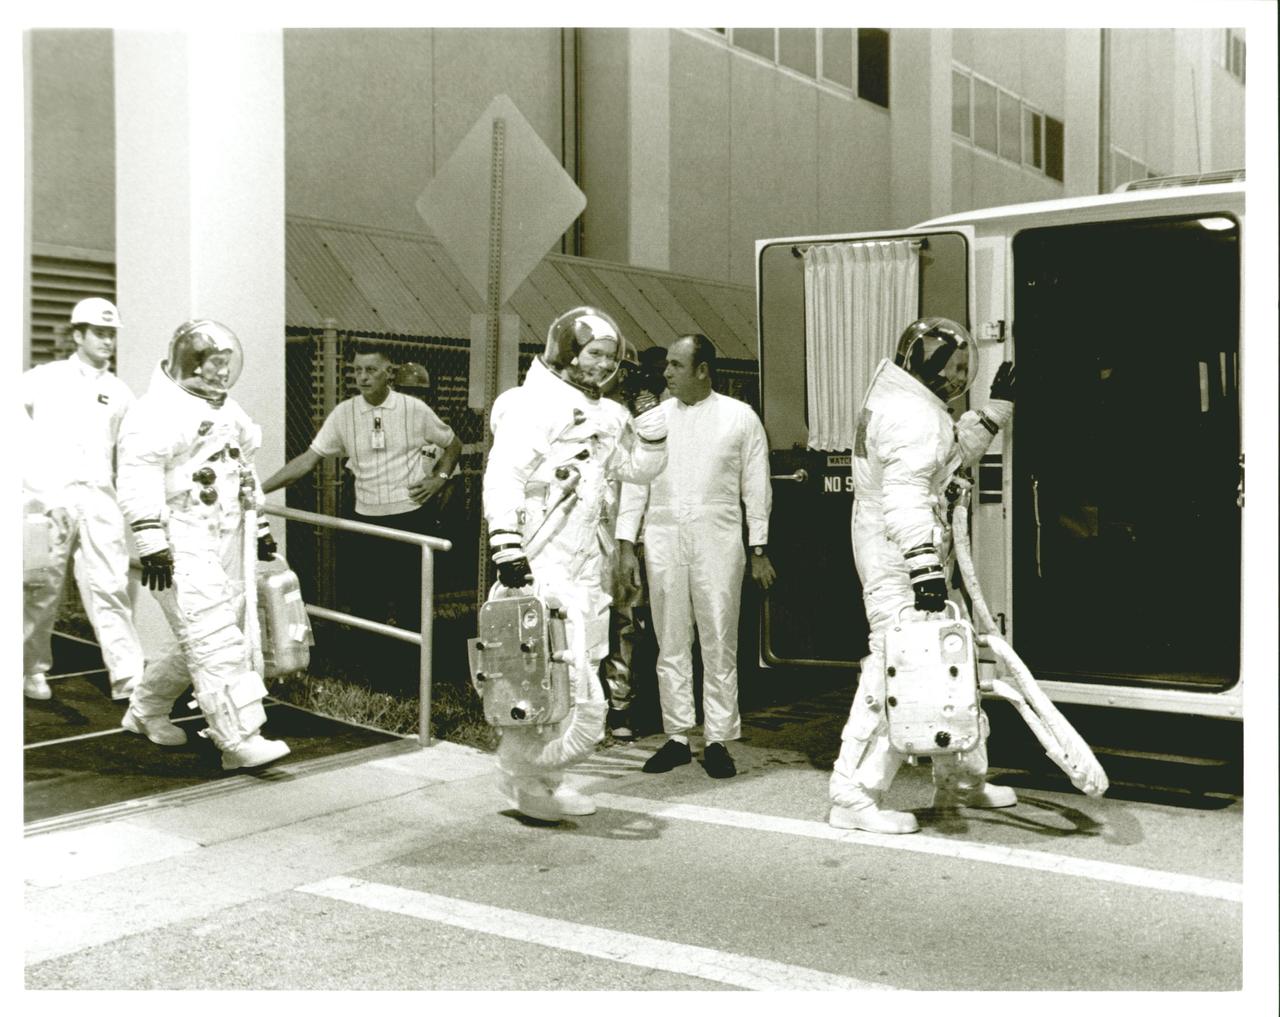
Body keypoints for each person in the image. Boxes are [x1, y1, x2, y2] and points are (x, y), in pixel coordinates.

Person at [828, 316, 1017, 834]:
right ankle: (853, 793)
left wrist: (992, 415)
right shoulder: (912, 415)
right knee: (898, 669)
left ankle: (960, 778)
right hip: (901, 557)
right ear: (927, 364)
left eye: (962, 367)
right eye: (952, 366)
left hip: (904, 550)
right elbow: (907, 495)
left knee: (950, 662)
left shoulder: (908, 403)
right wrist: (924, 566)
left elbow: (944, 460)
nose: (957, 376)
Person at [483, 306, 668, 821]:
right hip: (540, 559)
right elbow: (504, 475)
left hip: (585, 564)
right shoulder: (530, 404)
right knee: (543, 674)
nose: (603, 365)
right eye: (594, 353)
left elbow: (638, 469)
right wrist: (506, 543)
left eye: (610, 357)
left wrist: (649, 422)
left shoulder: (608, 414)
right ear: (567, 350)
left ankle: (544, 778)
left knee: (576, 674)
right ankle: (523, 776)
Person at [115, 319, 290, 770]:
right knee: (213, 637)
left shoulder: (229, 411)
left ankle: (145, 710)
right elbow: (137, 477)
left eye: (227, 363)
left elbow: (242, 470)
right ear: (191, 363)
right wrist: (151, 540)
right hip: (179, 536)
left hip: (226, 534)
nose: (222, 372)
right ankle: (239, 740)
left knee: (210, 631)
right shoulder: (154, 412)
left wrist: (260, 527)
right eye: (215, 363)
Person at [617, 334, 775, 780]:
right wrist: (626, 543)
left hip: (717, 538)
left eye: (675, 365)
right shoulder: (654, 420)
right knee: (670, 639)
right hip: (664, 535)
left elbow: (756, 487)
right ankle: (677, 737)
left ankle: (718, 740)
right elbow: (635, 482)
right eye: (667, 364)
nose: (666, 372)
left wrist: (758, 547)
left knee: (719, 638)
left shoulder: (739, 418)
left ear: (702, 369)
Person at [262, 344, 462, 630]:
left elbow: (453, 444)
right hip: (365, 522)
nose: (363, 377)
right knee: (367, 606)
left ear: (388, 373)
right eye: (357, 370)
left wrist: (438, 479)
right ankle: (371, 657)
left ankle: (413, 659)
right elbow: (308, 460)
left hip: (410, 519)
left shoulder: (414, 409)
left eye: (371, 370)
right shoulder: (344, 413)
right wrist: (260, 489)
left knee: (410, 607)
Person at [21, 298, 145, 702]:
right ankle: (30, 669)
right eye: (99, 333)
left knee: (110, 586)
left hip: (99, 497)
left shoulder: (119, 392)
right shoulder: (45, 378)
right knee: (40, 587)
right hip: (48, 498)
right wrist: (38, 488)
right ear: (78, 335)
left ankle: (128, 677)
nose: (107, 341)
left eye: (111, 334)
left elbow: (131, 451)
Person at [598, 343, 668, 740]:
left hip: (625, 530)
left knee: (626, 621)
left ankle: (621, 706)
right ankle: (587, 704)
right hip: (589, 530)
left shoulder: (641, 417)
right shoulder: (582, 414)